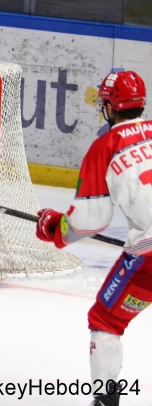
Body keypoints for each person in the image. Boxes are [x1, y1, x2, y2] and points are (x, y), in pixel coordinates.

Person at [35, 70, 150, 406]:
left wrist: (55, 228)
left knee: (106, 319)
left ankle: (105, 401)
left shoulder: (105, 146)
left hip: (148, 254)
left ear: (110, 106)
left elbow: (89, 222)